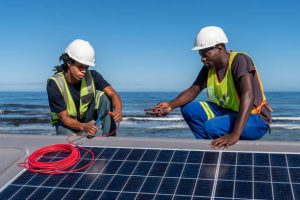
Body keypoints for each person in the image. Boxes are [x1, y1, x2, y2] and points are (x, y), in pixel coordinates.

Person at [155, 26, 272, 149]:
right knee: (189, 109)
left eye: (205, 54)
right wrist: (170, 105)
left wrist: (235, 134)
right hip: (229, 112)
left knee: (212, 126)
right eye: (201, 55)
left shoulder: (239, 60)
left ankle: (220, 144)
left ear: (219, 48)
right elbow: (193, 90)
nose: (202, 59)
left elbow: (248, 94)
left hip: (255, 118)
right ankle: (210, 147)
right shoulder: (209, 67)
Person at [47, 39, 122, 136]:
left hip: (87, 118)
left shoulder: (93, 76)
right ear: (69, 62)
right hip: (66, 123)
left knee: (105, 97)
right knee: (72, 145)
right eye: (80, 66)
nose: (84, 71)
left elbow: (113, 94)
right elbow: (64, 118)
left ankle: (109, 138)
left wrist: (118, 110)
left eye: (86, 67)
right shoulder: (55, 84)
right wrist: (83, 126)